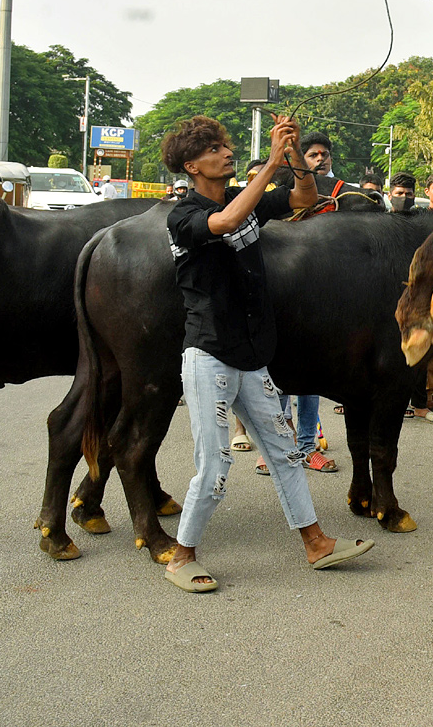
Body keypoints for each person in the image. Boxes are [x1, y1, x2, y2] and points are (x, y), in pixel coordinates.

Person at [161, 113, 371, 591]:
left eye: (224, 146)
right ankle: (181, 556)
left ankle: (316, 542)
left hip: (251, 356)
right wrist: (271, 160)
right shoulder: (185, 215)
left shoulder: (246, 200)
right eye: (213, 149)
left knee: (286, 453)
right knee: (214, 466)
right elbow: (227, 221)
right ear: (192, 166)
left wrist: (293, 152)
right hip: (209, 356)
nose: (225, 152)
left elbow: (305, 198)